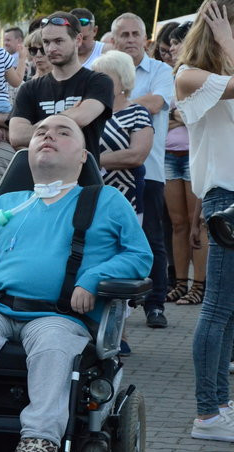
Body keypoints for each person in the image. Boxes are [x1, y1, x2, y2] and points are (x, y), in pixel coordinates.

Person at [0, 115, 152, 452]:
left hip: (60, 315)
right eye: (40, 133)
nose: (49, 135)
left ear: (83, 157)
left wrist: (94, 278)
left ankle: (41, 442)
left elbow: (140, 257)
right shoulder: (10, 203)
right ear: (28, 151)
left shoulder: (105, 201)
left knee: (53, 347)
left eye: (63, 132)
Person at [174, 0, 234, 442]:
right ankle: (207, 414)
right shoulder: (189, 75)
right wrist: (228, 42)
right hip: (225, 198)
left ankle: (221, 403)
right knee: (216, 307)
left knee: (229, 310)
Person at [112, 12, 175, 329]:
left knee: (152, 238)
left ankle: (156, 303)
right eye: (124, 34)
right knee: (112, 238)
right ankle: (119, 302)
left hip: (148, 169)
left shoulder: (161, 70)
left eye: (136, 34)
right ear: (114, 39)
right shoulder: (105, 71)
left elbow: (156, 102)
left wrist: (118, 102)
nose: (131, 40)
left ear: (145, 39)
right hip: (108, 174)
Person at [10, 12, 114, 163]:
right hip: (39, 179)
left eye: (59, 41)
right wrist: (69, 117)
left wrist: (37, 128)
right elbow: (16, 136)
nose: (51, 48)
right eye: (46, 42)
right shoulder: (30, 88)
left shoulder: (98, 81)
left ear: (78, 40)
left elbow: (83, 117)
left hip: (84, 178)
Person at [164, 22, 206, 306]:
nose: (172, 48)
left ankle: (199, 285)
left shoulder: (201, 75)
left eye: (177, 42)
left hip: (195, 155)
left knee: (197, 223)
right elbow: (161, 118)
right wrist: (179, 118)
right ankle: (180, 282)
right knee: (178, 223)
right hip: (169, 156)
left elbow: (199, 118)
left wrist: (178, 118)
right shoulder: (169, 76)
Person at [93, 50, 154, 218]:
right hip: (89, 196)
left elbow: (136, 156)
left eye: (104, 78)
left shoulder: (137, 113)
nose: (98, 83)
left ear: (123, 79)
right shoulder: (88, 112)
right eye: (95, 77)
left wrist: (89, 161)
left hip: (126, 199)